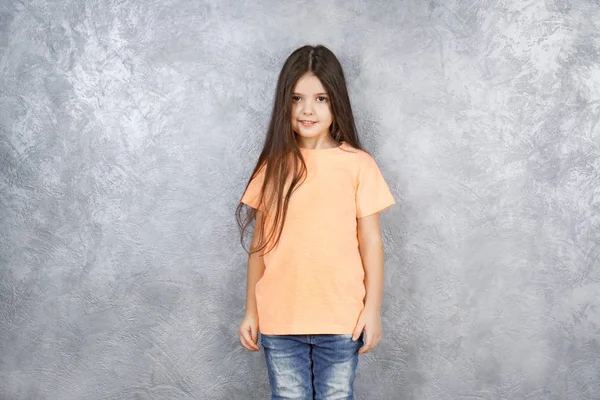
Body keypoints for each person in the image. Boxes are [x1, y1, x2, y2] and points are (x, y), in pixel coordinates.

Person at [235, 44, 396, 400]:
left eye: (321, 98)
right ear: (285, 104)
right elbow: (259, 248)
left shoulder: (359, 165)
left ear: (336, 101)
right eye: (297, 98)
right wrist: (251, 311)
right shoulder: (273, 167)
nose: (308, 109)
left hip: (341, 319)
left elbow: (371, 242)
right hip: (280, 320)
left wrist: (373, 310)